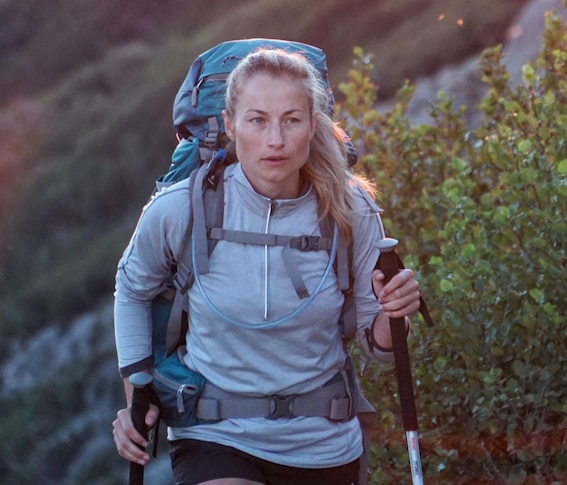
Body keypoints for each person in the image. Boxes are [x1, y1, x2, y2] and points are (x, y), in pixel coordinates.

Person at [112, 47, 422, 485]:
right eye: (257, 120)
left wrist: (396, 313)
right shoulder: (181, 208)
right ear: (230, 125)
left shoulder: (352, 210)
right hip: (214, 435)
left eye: (291, 120)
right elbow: (131, 289)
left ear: (313, 126)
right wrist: (136, 392)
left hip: (325, 443)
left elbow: (381, 347)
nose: (275, 139)